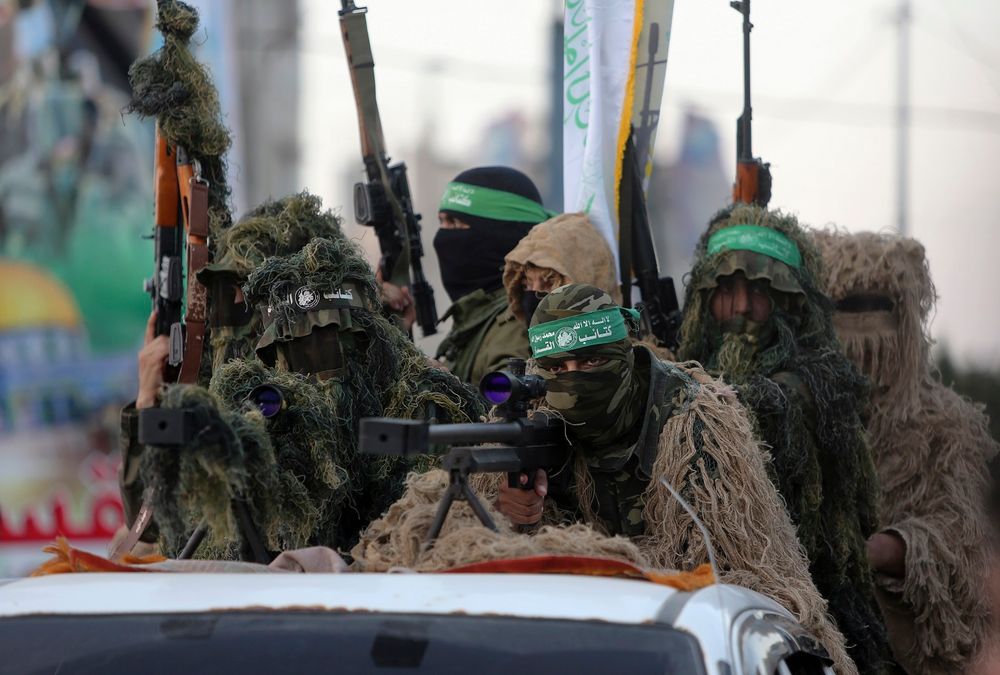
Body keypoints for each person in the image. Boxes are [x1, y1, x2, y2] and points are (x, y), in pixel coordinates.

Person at [492, 283, 856, 673]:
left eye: (592, 363)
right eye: (557, 369)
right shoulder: (527, 415)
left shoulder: (692, 423)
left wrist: (602, 566)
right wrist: (516, 515)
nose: (574, 380)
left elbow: (725, 577)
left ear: (625, 355)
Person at [134, 236, 484, 558]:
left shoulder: (422, 403)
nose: (323, 377)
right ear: (273, 358)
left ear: (372, 343)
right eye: (298, 352)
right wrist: (148, 404)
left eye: (338, 342)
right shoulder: (262, 418)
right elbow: (169, 530)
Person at [675, 204, 890, 675]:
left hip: (796, 621)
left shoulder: (814, 386)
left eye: (761, 291)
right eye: (725, 290)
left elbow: (750, 407)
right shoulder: (681, 369)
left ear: (792, 304)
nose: (742, 310)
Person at [816, 229, 999, 675]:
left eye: (878, 308)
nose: (862, 330)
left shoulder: (946, 427)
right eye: (847, 308)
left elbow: (966, 537)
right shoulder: (806, 415)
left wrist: (887, 548)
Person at [118, 192, 347, 547]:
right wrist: (149, 401)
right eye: (231, 284)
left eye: (252, 282)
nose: (238, 299)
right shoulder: (218, 381)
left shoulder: (335, 379)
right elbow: (151, 524)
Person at [431, 166, 552, 385]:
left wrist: (440, 386)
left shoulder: (517, 323)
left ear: (499, 233)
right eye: (442, 222)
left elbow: (501, 411)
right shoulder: (477, 314)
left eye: (456, 223)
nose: (442, 236)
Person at [502, 211, 621, 325]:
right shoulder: (516, 342)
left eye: (549, 283)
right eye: (526, 285)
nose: (534, 295)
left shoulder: (623, 345)